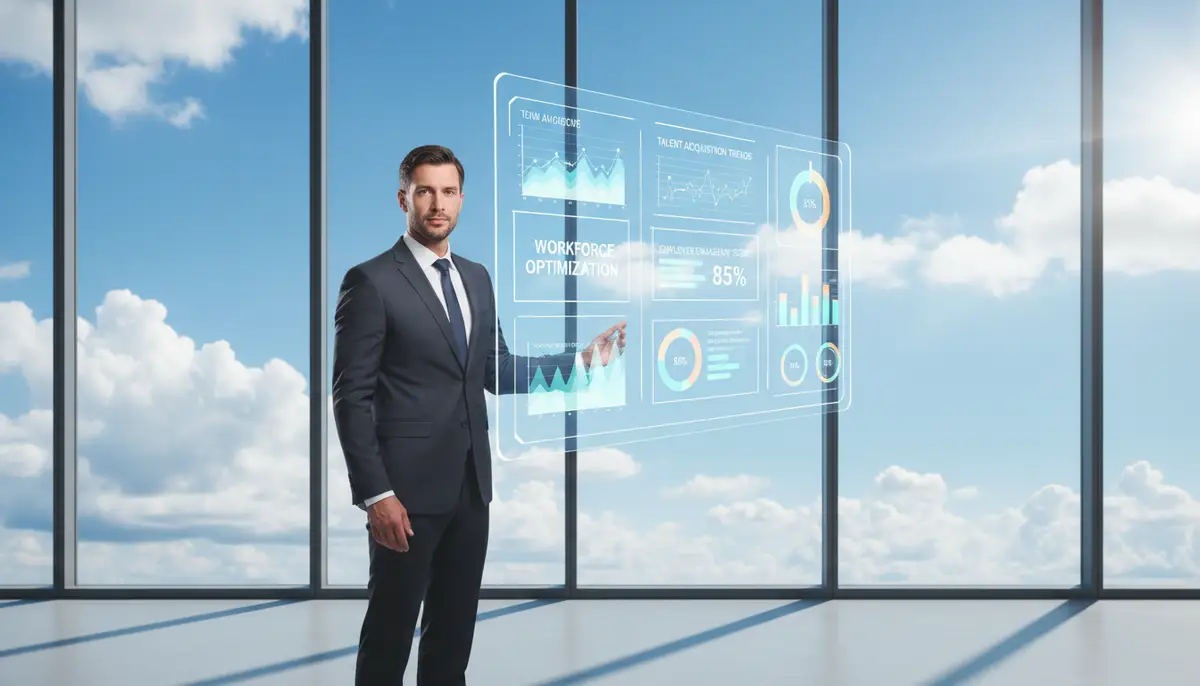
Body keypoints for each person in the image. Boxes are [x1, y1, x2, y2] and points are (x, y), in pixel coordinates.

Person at [331, 144, 625, 685]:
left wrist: (582, 363)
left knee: (452, 638)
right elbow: (351, 399)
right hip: (404, 497)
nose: (436, 204)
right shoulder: (370, 281)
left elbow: (498, 370)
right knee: (390, 635)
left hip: (471, 487)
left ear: (461, 200)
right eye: (424, 192)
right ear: (404, 199)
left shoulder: (477, 278)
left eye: (447, 192)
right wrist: (377, 495)